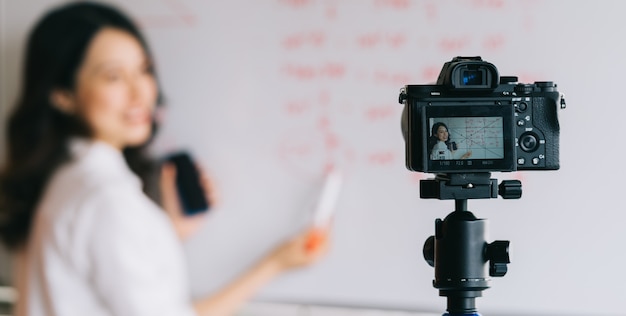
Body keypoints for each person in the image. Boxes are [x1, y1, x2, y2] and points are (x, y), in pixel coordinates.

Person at [0, 2, 329, 316]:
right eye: (113, 76)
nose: (141, 92)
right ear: (62, 95)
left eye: (144, 70)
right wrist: (275, 264)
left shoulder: (61, 179)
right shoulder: (107, 199)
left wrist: (164, 233)